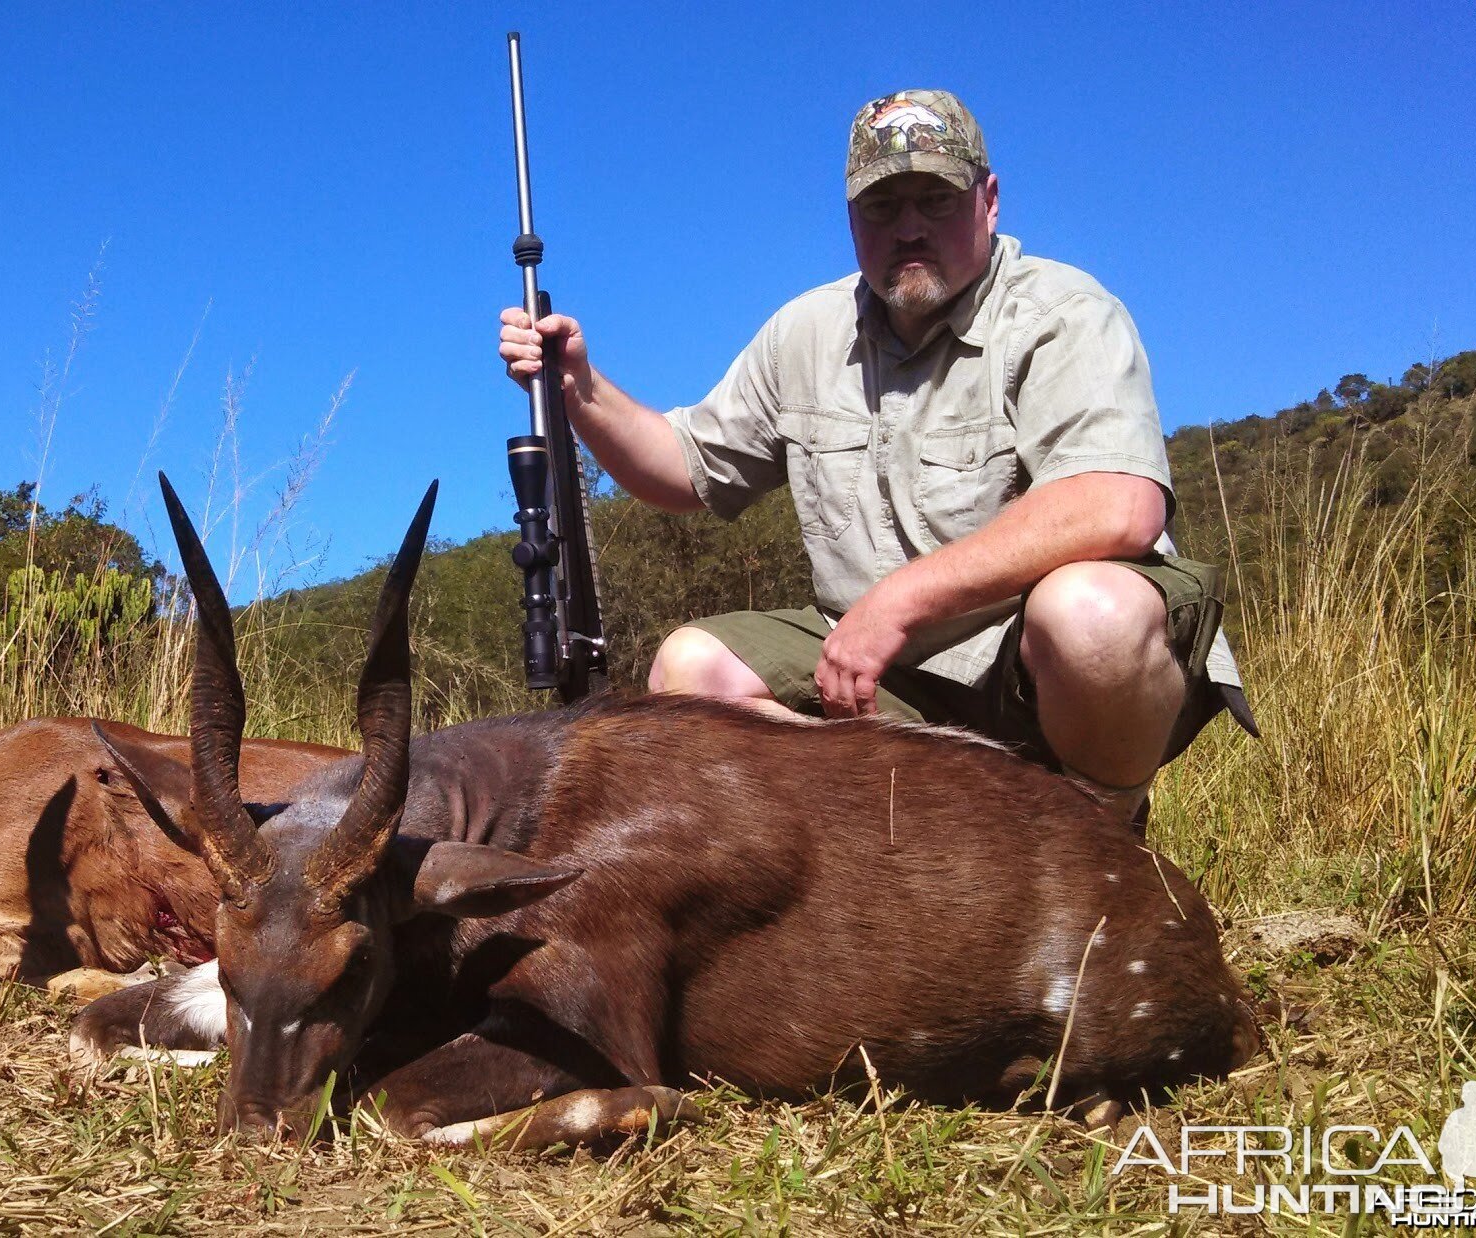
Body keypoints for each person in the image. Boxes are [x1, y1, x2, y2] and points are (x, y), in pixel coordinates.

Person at [497, 89, 1254, 825]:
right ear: (852, 218)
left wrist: (895, 603)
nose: (910, 228)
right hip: (875, 679)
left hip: (1033, 675)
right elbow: (683, 468)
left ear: (989, 200)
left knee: (1094, 615)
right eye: (883, 207)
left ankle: (1102, 846)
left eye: (937, 200)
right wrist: (579, 386)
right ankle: (930, 842)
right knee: (690, 672)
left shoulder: (1064, 311)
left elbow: (1116, 503)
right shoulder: (805, 331)